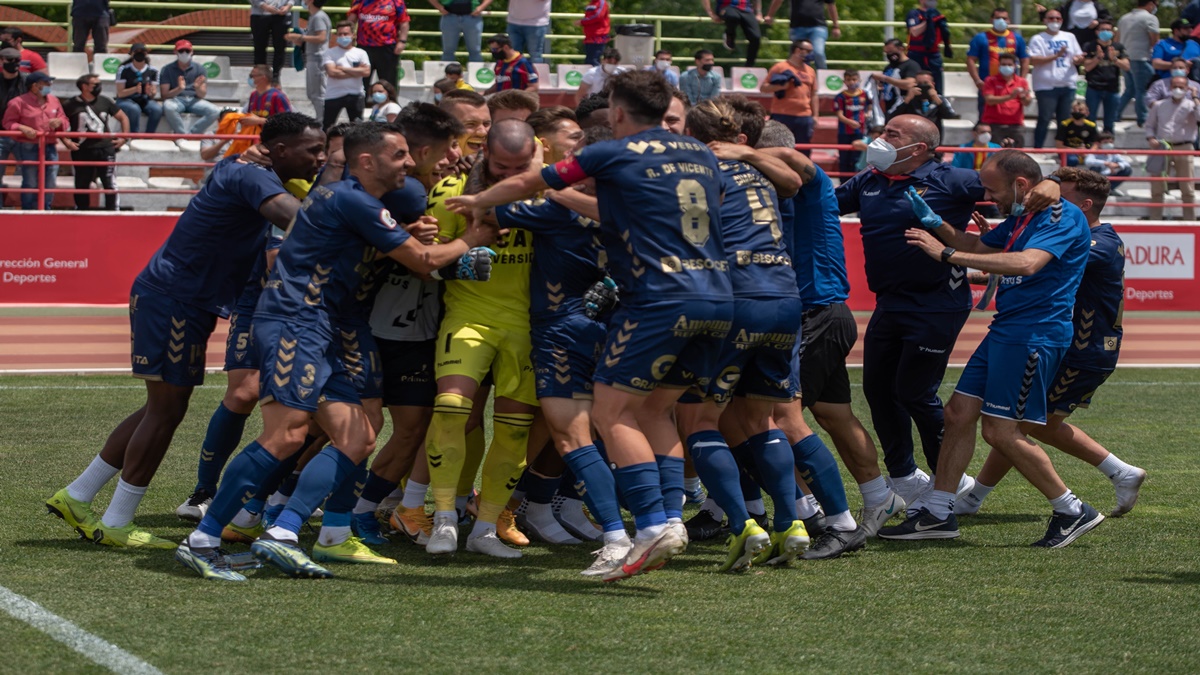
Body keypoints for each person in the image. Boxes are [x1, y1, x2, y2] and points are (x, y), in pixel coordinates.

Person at [173, 122, 498, 581]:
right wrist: (471, 239)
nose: (409, 162)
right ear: (367, 161)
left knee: (359, 436)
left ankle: (284, 533)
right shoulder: (351, 199)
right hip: (294, 323)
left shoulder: (347, 201)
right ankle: (204, 538)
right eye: (400, 154)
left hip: (321, 327)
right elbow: (423, 262)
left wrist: (414, 233)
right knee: (286, 435)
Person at [446, 70, 733, 580]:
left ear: (619, 113)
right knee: (654, 415)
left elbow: (507, 206)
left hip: (570, 324)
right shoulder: (686, 164)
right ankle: (664, 518)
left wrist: (479, 198)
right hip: (681, 305)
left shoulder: (567, 197)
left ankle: (625, 533)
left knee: (584, 431)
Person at [45, 113, 326, 551]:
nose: (320, 158)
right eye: (313, 150)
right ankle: (117, 520)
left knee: (160, 406)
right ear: (281, 150)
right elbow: (295, 218)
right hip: (175, 298)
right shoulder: (251, 174)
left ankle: (77, 495)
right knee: (165, 411)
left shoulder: (251, 169)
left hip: (181, 299)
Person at [835, 115, 1061, 512]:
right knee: (877, 390)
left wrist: (1051, 183)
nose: (879, 140)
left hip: (937, 303)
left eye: (891, 134)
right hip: (889, 300)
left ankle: (947, 482)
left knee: (914, 393)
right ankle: (904, 475)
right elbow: (826, 202)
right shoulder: (869, 179)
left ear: (918, 147)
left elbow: (1016, 181)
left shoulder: (952, 179)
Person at [884, 149, 1102, 549]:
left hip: (1033, 335)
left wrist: (945, 255)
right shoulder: (1024, 215)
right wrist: (936, 226)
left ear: (1021, 184)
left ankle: (1072, 509)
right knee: (958, 412)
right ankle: (938, 511)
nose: (987, 196)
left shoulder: (1060, 216)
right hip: (1008, 331)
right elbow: (981, 247)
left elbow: (1026, 264)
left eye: (991, 188)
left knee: (1001, 431)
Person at [958, 166, 1146, 519]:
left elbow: (1032, 264)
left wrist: (970, 260)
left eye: (1062, 195)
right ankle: (1122, 472)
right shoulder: (1093, 238)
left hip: (1084, 349)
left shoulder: (1096, 243)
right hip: (1076, 347)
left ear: (1085, 205)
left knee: (1016, 427)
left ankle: (975, 498)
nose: (1050, 202)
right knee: (1025, 425)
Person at [673, 97, 810, 572]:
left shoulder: (699, 167)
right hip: (784, 299)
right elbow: (795, 181)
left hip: (735, 300)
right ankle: (790, 523)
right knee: (761, 421)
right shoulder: (762, 169)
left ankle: (740, 524)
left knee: (697, 421)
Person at [408, 119, 540, 559]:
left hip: (525, 324)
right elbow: (426, 262)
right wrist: (466, 251)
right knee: (450, 408)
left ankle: (485, 528)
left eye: (521, 165)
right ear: (485, 153)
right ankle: (444, 518)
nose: (510, 175)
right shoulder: (452, 192)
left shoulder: (544, 193)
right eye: (502, 165)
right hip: (469, 316)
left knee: (515, 431)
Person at [2, 72, 73, 211]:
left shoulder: (54, 100)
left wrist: (59, 121)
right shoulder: (18, 102)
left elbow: (65, 120)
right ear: (34, 86)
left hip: (50, 145)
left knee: (50, 180)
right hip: (29, 145)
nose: (49, 86)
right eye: (46, 83)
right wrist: (23, 128)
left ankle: (44, 208)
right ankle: (28, 209)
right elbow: (8, 122)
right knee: (31, 180)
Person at [63, 73, 129, 211]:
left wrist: (124, 137)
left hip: (105, 148)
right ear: (84, 86)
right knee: (82, 183)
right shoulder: (70, 104)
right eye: (95, 84)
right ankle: (81, 212)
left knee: (109, 182)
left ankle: (113, 212)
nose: (99, 87)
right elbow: (59, 124)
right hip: (82, 150)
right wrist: (66, 142)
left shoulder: (106, 101)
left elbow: (123, 117)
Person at [1029, 9, 1084, 149]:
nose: (1055, 21)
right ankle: (1038, 148)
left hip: (1067, 84)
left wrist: (1079, 59)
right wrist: (1056, 55)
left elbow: (1077, 57)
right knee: (1044, 119)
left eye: (1058, 18)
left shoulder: (1069, 36)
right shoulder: (1038, 38)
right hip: (1045, 86)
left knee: (1064, 121)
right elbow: (1034, 60)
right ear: (1045, 20)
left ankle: (1062, 150)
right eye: (1051, 18)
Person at [1146, 75, 1199, 221]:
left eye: (1181, 87)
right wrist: (1151, 138)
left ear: (1187, 88)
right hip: (1162, 147)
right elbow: (1150, 125)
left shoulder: (1192, 105)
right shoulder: (1159, 105)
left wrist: (1195, 98)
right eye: (1175, 86)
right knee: (1157, 187)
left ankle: (1190, 221)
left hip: (1184, 146)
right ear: (1170, 87)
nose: (1178, 89)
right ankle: (1155, 220)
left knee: (1187, 188)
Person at [967, 9, 1030, 117]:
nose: (1001, 20)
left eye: (1004, 18)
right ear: (991, 20)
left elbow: (1025, 60)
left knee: (1011, 116)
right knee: (984, 117)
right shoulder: (980, 38)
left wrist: (1022, 80)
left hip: (1011, 86)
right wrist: (977, 80)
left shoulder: (1017, 38)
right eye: (998, 18)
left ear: (1009, 20)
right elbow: (970, 60)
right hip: (988, 85)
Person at [760, 40, 819, 151]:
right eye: (809, 51)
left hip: (804, 116)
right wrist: (781, 87)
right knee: (778, 147)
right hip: (782, 114)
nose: (811, 54)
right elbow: (763, 88)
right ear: (798, 50)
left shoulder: (810, 71)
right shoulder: (780, 67)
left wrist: (815, 115)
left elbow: (814, 94)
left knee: (803, 150)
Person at [160, 40, 221, 137]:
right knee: (168, 107)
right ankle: (181, 135)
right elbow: (164, 95)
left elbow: (202, 94)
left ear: (192, 52)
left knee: (215, 111)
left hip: (194, 100)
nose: (184, 53)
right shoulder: (167, 69)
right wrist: (179, 89)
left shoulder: (199, 68)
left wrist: (197, 88)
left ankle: (192, 134)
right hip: (176, 99)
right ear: (175, 52)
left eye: (187, 51)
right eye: (181, 51)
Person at [1116, 0, 1160, 127]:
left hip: (1125, 58)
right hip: (1141, 58)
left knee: (1130, 90)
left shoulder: (1124, 18)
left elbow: (1117, 39)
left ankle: (1115, 114)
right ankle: (1143, 119)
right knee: (1142, 90)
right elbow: (1155, 41)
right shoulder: (1150, 18)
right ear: (1150, 4)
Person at [285, 0, 331, 120]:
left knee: (318, 93)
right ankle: (321, 118)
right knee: (312, 93)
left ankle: (323, 121)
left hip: (317, 58)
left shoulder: (318, 17)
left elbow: (321, 37)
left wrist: (300, 37)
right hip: (312, 57)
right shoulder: (314, 17)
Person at [348, 0, 409, 88]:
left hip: (387, 47)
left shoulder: (396, 2)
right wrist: (348, 37)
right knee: (361, 82)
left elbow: (404, 22)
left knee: (388, 83)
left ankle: (389, 101)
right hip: (364, 47)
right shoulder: (359, 1)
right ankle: (361, 101)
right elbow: (351, 20)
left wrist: (402, 41)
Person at [1081, 19, 1128, 133]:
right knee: (1090, 120)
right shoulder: (1089, 46)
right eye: (1102, 30)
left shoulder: (1118, 47)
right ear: (1097, 32)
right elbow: (1086, 67)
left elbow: (1126, 66)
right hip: (1094, 87)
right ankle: (1090, 144)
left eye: (1108, 30)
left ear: (1113, 32)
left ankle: (1108, 145)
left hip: (1112, 88)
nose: (1106, 32)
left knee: (1110, 121)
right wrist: (1097, 58)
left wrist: (1115, 59)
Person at [764, 0, 840, 69]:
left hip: (818, 26)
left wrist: (836, 26)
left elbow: (831, 5)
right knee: (799, 56)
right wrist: (770, 15)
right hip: (797, 27)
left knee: (818, 53)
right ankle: (801, 79)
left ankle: (823, 77)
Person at [322, 21, 371, 129]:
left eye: (345, 34)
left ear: (353, 35)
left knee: (357, 128)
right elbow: (332, 72)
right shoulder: (330, 53)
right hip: (333, 95)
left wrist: (342, 68)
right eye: (340, 34)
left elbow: (366, 72)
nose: (342, 36)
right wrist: (356, 72)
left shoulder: (361, 53)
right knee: (327, 127)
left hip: (356, 94)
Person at [904, 0, 953, 102]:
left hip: (933, 56)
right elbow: (914, 32)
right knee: (915, 84)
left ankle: (937, 109)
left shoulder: (937, 14)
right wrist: (928, 21)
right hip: (916, 55)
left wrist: (948, 47)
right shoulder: (914, 13)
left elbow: (944, 32)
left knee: (937, 86)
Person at [981, 53, 1033, 148]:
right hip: (994, 125)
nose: (1006, 67)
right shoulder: (990, 80)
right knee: (995, 155)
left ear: (1014, 66)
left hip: (1016, 125)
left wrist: (1023, 97)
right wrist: (1010, 96)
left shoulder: (1021, 82)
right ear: (999, 66)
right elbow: (989, 100)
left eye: (1009, 65)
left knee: (1017, 156)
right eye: (1004, 64)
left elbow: (1027, 103)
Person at [893, 69, 954, 141]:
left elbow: (950, 116)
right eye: (919, 83)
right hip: (911, 138)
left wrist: (936, 99)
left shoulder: (940, 99)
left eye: (925, 83)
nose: (922, 86)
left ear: (932, 84)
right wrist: (907, 99)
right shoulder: (905, 99)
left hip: (933, 138)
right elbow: (892, 116)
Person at [0, 46, 28, 201]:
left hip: (22, 134)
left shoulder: (27, 82)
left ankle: (30, 211)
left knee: (31, 177)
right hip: (1, 134)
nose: (14, 63)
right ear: (1, 61)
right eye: (10, 60)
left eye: (17, 60)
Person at [114, 43, 161, 134]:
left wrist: (150, 92)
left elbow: (153, 92)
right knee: (134, 109)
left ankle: (149, 135)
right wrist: (135, 89)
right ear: (131, 54)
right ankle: (134, 135)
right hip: (126, 99)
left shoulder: (153, 71)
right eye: (136, 52)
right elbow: (120, 93)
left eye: (142, 52)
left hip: (144, 99)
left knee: (157, 109)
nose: (139, 54)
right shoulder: (123, 70)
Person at [832, 68, 869, 181]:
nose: (852, 82)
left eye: (854, 79)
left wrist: (867, 115)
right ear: (844, 81)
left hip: (860, 132)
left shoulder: (865, 95)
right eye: (848, 80)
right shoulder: (840, 97)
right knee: (844, 159)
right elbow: (839, 114)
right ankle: (843, 183)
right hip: (844, 132)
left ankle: (856, 181)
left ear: (859, 80)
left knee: (857, 158)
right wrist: (850, 122)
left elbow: (869, 108)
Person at [702, 0, 763, 67]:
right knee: (733, 16)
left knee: (756, 37)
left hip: (746, 9)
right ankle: (729, 35)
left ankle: (749, 66)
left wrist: (758, 13)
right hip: (726, 7)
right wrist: (711, 13)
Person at [873, 39, 920, 121]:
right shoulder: (889, 67)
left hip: (904, 108)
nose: (889, 55)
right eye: (886, 52)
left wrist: (885, 78)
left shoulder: (911, 65)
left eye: (891, 51)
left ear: (901, 49)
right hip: (889, 108)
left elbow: (909, 84)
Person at [250, 0, 294, 83]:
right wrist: (264, 6)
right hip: (260, 13)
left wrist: (288, 6)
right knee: (259, 46)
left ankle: (276, 76)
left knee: (280, 46)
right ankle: (260, 75)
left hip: (282, 14)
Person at [243, 64, 293, 128]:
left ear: (263, 78)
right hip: (254, 136)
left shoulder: (278, 96)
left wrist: (259, 121)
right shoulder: (253, 95)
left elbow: (287, 121)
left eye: (252, 75)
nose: (251, 78)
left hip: (273, 136)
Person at [1055, 99, 1096, 165]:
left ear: (1087, 112)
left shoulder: (1091, 125)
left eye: (1080, 110)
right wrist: (1075, 151)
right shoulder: (1065, 125)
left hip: (1085, 152)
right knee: (1072, 160)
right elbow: (1059, 145)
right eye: (1074, 110)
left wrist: (1089, 152)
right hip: (1068, 152)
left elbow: (1096, 143)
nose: (1077, 112)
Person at [579, 0, 611, 66]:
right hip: (590, 36)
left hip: (598, 36)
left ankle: (597, 75)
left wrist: (583, 22)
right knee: (589, 60)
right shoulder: (591, 3)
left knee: (594, 60)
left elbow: (598, 16)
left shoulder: (601, 2)